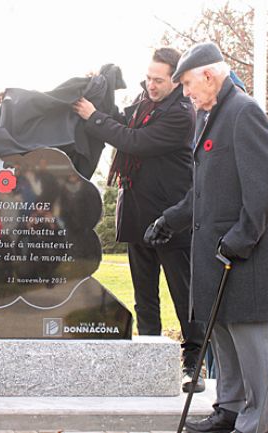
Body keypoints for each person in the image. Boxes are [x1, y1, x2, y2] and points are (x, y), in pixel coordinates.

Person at [147, 42, 268, 433]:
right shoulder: (212, 117)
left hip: (244, 257)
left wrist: (242, 237)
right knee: (223, 336)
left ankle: (254, 424)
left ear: (208, 76)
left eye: (188, 84)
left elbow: (267, 183)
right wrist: (170, 220)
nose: (186, 93)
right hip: (217, 257)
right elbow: (204, 191)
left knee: (251, 345)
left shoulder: (244, 112)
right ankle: (229, 409)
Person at [72, 48, 206, 391]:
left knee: (184, 296)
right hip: (137, 214)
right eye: (148, 78)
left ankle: (194, 364)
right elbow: (121, 120)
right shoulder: (144, 102)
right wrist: (99, 89)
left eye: (158, 80)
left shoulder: (181, 114)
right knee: (144, 297)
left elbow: (134, 141)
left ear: (176, 80)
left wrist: (94, 117)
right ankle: (149, 360)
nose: (151, 85)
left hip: (171, 219)